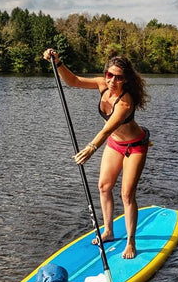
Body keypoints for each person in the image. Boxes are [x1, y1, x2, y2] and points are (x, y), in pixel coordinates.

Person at [43, 49, 150, 259]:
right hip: (114, 144)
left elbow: (107, 129)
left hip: (134, 146)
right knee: (103, 186)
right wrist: (58, 63)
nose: (112, 80)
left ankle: (130, 242)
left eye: (118, 77)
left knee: (127, 195)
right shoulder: (102, 84)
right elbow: (73, 81)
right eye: (110, 75)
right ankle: (108, 231)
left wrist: (91, 148)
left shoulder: (125, 102)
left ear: (126, 79)